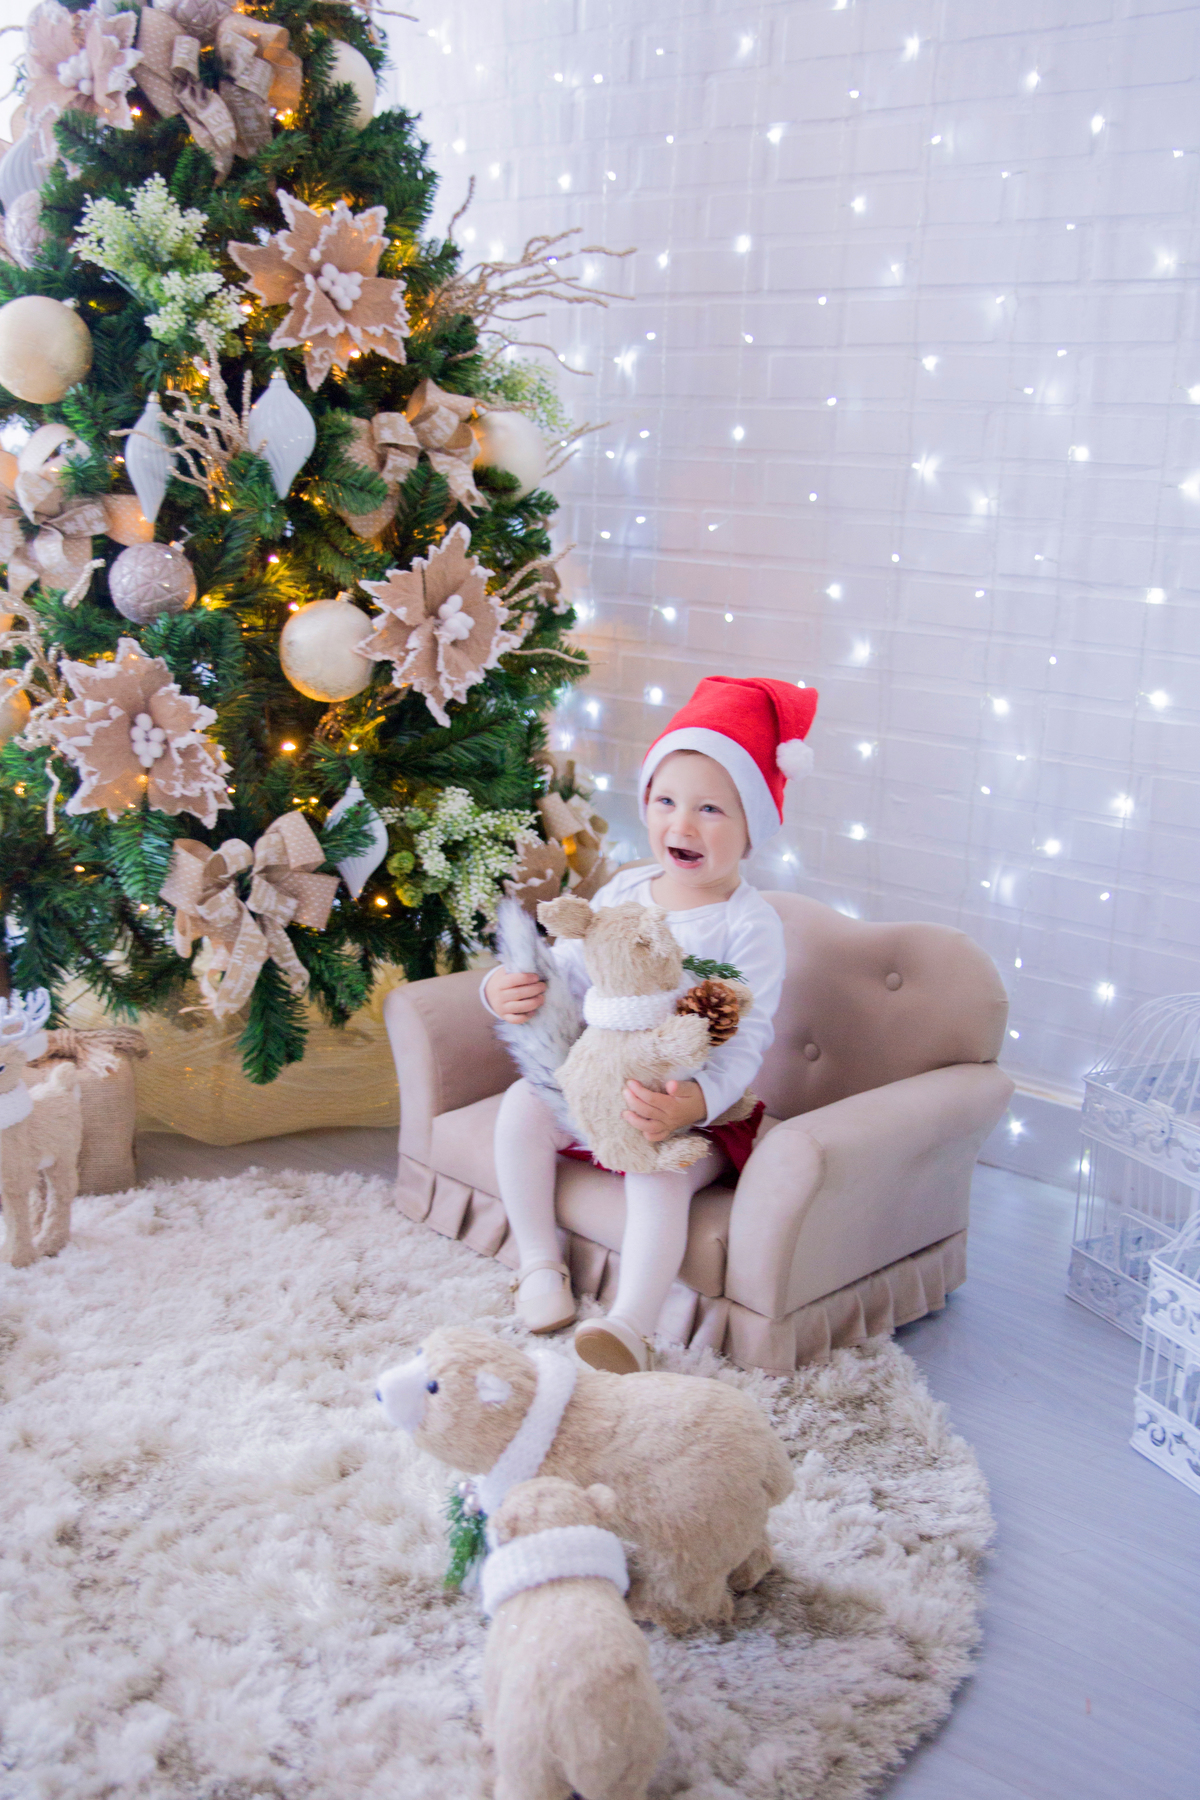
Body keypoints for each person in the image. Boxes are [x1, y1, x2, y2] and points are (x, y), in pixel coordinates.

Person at [482, 675, 818, 1374]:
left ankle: (630, 1323)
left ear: (752, 826)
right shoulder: (627, 887)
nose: (681, 825)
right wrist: (504, 987)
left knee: (656, 1177)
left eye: (710, 809)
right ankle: (539, 1264)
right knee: (521, 1107)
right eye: (665, 801)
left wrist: (690, 1103)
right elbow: (569, 967)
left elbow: (746, 1038)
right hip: (602, 1084)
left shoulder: (747, 924)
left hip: (688, 1108)